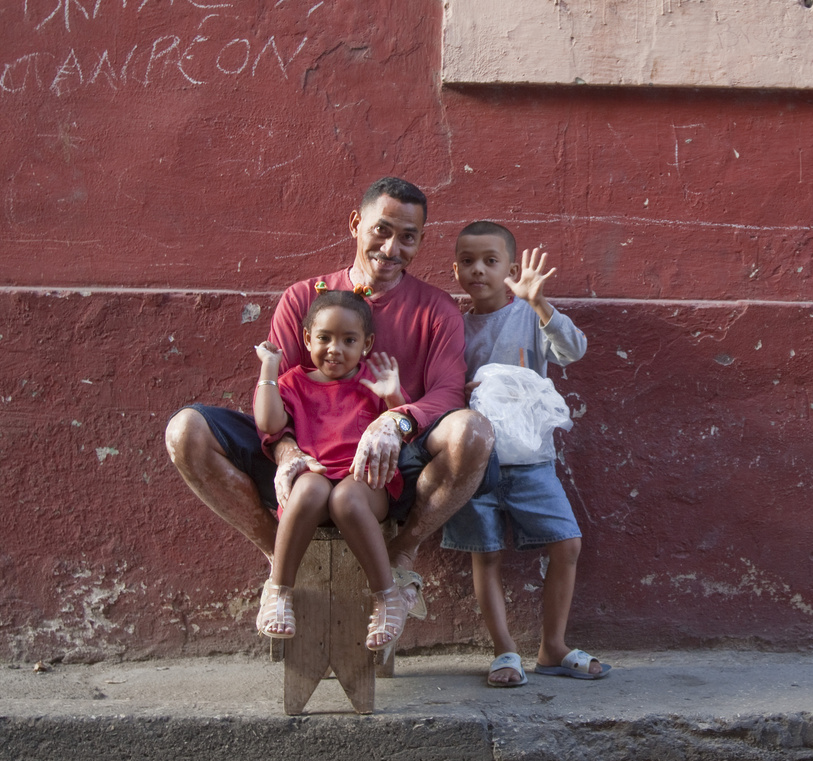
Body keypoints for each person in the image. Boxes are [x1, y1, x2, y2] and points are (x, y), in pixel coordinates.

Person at [165, 177, 494, 634]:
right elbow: (278, 392)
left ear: (421, 241)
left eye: (408, 237)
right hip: (308, 462)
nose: (391, 247)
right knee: (186, 431)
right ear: (356, 225)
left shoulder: (437, 310)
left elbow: (446, 394)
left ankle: (402, 557)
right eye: (381, 230)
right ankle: (279, 560)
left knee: (473, 432)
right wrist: (284, 452)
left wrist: (394, 423)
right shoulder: (303, 299)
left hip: (392, 469)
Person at [442, 220, 609, 686]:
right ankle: (504, 653)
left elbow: (573, 350)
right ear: (455, 268)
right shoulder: (452, 327)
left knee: (567, 544)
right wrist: (460, 391)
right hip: (476, 465)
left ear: (511, 269)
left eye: (490, 262)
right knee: (486, 554)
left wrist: (540, 303)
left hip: (532, 462)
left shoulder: (527, 317)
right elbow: (438, 386)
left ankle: (552, 647)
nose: (478, 271)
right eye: (468, 262)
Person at [252, 290, 410, 651]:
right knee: (309, 488)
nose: (334, 349)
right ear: (307, 338)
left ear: (366, 344)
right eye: (324, 338)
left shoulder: (373, 381)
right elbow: (268, 422)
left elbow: (404, 433)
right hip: (316, 478)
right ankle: (279, 591)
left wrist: (393, 397)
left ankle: (387, 597)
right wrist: (269, 367)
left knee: (346, 499)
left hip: (364, 487)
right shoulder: (293, 382)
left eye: (348, 340)